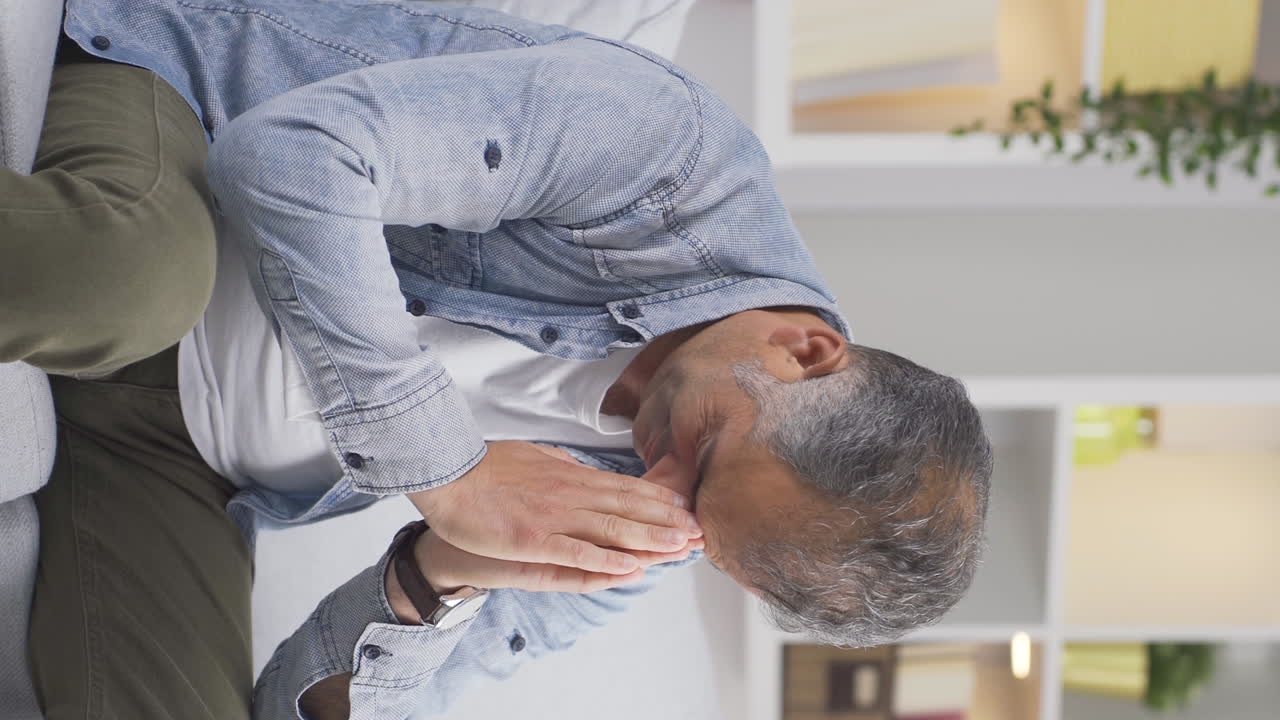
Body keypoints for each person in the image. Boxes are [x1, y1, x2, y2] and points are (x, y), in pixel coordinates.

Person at [0, 2, 993, 719]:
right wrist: (445, 471)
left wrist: (433, 581)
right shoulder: (663, 158)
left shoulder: (646, 531)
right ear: (803, 351)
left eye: (699, 527)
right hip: (178, 148)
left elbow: (310, 711)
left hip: (182, 466)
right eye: (704, 454)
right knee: (129, 282)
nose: (658, 485)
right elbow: (294, 158)